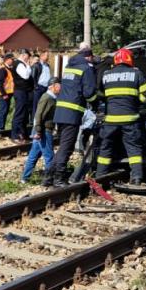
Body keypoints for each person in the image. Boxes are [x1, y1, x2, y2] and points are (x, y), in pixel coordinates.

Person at [95, 49, 146, 185]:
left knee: (105, 148)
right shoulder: (136, 73)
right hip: (130, 119)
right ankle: (137, 177)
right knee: (134, 149)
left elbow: (101, 94)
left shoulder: (106, 74)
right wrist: (139, 102)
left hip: (111, 119)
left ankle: (100, 176)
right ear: (129, 59)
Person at [51, 42, 97, 187]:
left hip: (60, 111)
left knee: (62, 145)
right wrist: (97, 101)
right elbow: (89, 93)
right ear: (89, 57)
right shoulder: (86, 69)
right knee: (67, 146)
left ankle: (49, 176)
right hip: (72, 113)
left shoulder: (69, 67)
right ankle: (59, 178)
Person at [22, 77, 60, 185]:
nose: (60, 88)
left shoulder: (51, 97)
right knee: (49, 156)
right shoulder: (47, 97)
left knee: (34, 155)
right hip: (43, 130)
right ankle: (50, 179)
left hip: (41, 130)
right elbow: (38, 114)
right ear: (53, 86)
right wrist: (38, 130)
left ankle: (25, 178)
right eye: (59, 86)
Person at [11, 50, 34, 142]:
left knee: (24, 114)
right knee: (19, 113)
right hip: (20, 92)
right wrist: (28, 65)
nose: (29, 59)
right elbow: (25, 76)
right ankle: (15, 135)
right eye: (28, 57)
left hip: (23, 92)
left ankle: (22, 134)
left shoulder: (19, 64)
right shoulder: (19, 64)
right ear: (24, 56)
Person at [0, 54, 15, 132]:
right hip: (4, 94)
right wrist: (4, 94)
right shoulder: (3, 70)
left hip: (8, 93)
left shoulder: (9, 69)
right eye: (12, 59)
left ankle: (2, 128)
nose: (13, 61)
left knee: (5, 111)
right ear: (7, 60)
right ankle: (0, 129)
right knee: (3, 111)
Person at [31, 50, 51, 119]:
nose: (48, 57)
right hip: (39, 88)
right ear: (42, 56)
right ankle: (34, 120)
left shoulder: (47, 65)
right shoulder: (37, 65)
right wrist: (35, 87)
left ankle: (41, 119)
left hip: (46, 88)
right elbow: (33, 77)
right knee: (36, 105)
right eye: (47, 56)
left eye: (48, 56)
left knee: (44, 105)